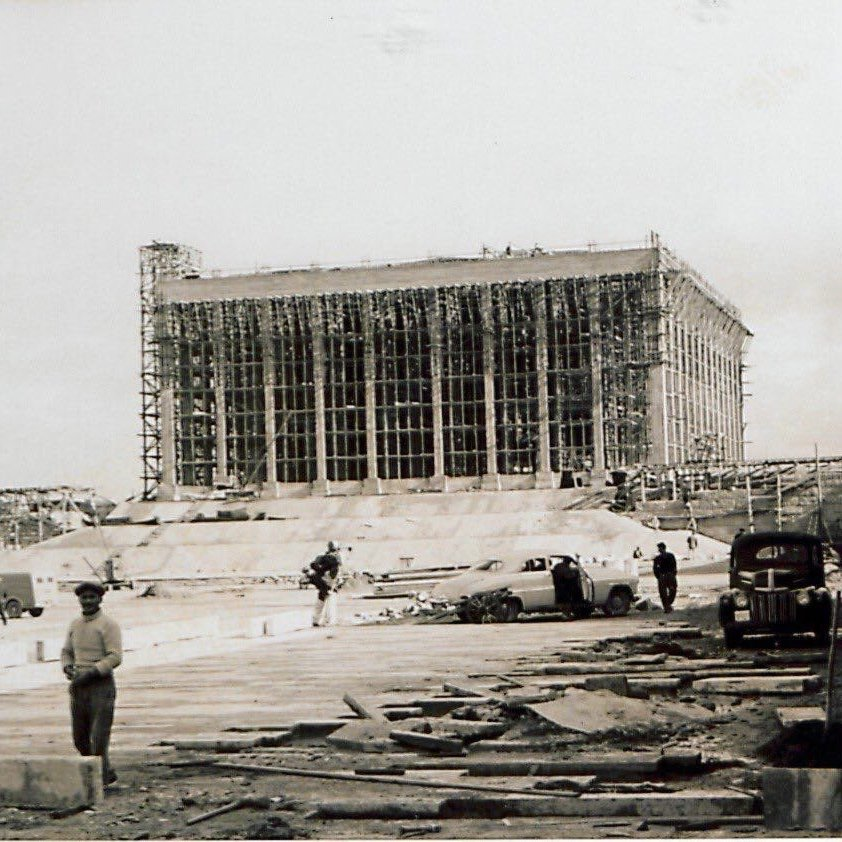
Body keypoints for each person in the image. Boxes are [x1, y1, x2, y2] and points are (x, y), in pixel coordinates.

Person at [60, 581, 122, 786]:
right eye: (83, 597)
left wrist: (92, 673)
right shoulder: (75, 624)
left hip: (100, 685)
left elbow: (115, 657)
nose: (87, 601)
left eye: (91, 597)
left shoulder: (108, 624)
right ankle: (103, 773)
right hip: (79, 686)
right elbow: (67, 651)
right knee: (80, 738)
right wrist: (67, 666)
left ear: (100, 599)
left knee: (99, 737)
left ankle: (98, 782)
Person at [308, 540, 343, 627]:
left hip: (321, 581)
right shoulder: (335, 559)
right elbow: (334, 574)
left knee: (321, 600)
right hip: (328, 582)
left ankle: (316, 620)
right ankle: (329, 620)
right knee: (330, 600)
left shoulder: (322, 557)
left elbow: (314, 565)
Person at [653, 542, 678, 613]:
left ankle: (667, 606)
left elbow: (655, 569)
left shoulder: (658, 558)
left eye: (659, 548)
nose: (659, 550)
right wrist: (674, 574)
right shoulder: (670, 555)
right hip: (669, 575)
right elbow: (675, 566)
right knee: (671, 590)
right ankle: (668, 605)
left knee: (663, 593)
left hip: (663, 576)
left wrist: (658, 576)